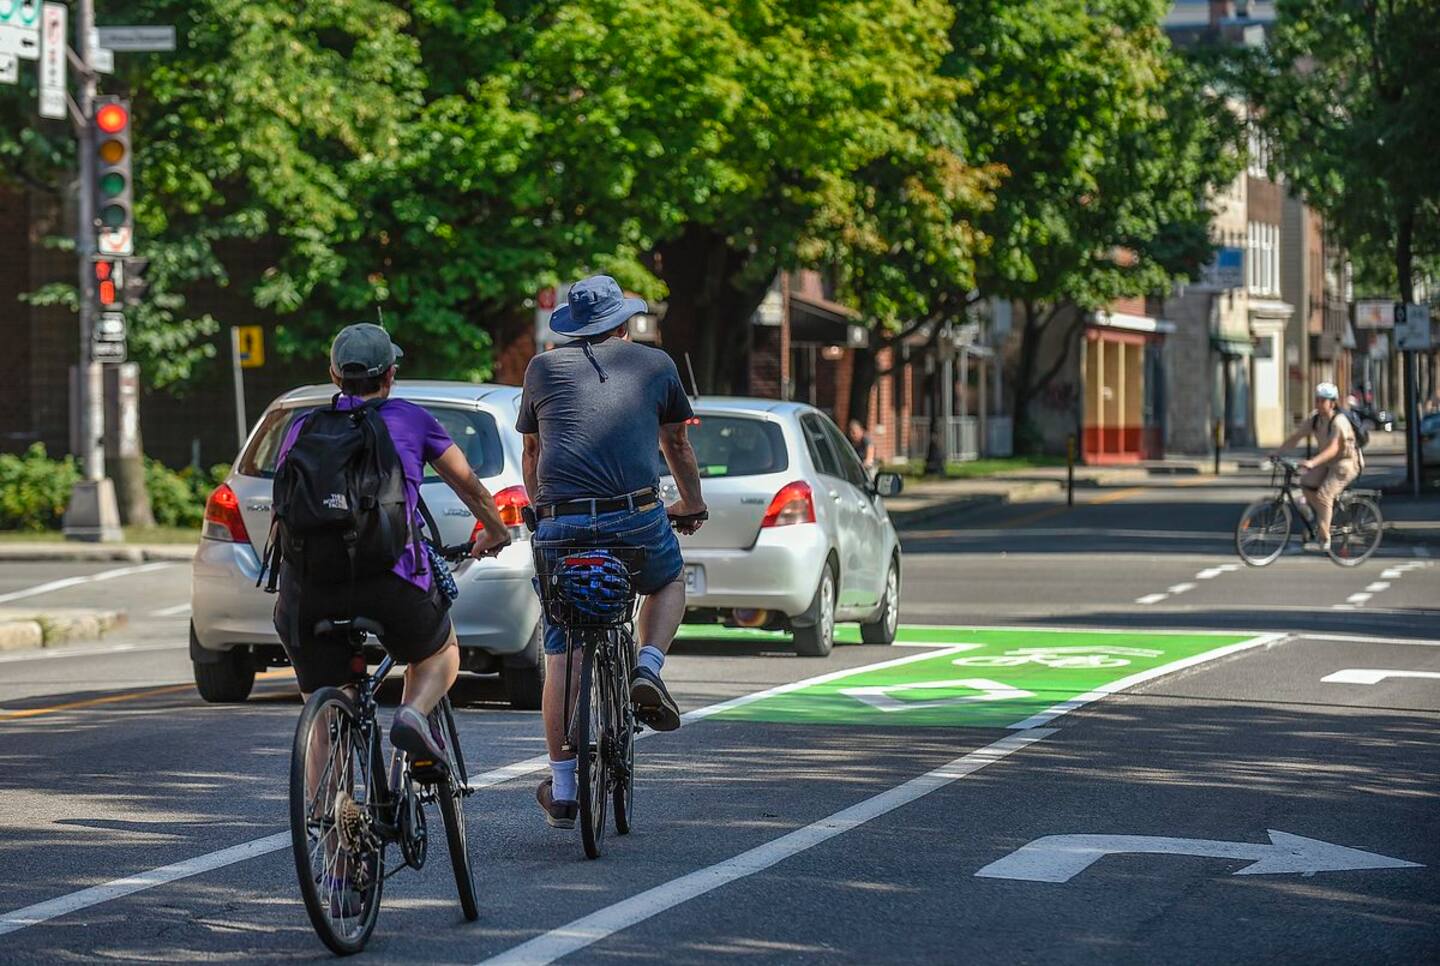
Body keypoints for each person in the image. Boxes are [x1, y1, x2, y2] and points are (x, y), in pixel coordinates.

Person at [518, 275, 706, 829]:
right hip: (635, 516)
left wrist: (544, 511)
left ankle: (563, 789)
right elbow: (676, 442)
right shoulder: (656, 365)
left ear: (575, 327)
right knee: (668, 579)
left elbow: (532, 452)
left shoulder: (541, 368)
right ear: (623, 324)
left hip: (563, 523)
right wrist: (691, 503)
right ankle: (647, 666)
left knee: (561, 651)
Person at [272, 323, 511, 761]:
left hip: (310, 588)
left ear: (334, 375)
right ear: (390, 375)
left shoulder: (302, 427)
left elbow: (283, 511)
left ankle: (329, 801)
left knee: (324, 717)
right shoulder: (411, 419)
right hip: (391, 579)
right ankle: (413, 714)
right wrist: (495, 531)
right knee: (440, 652)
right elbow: (470, 486)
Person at [1272, 381, 1363, 552]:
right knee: (1306, 482)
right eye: (1317, 400)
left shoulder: (1339, 421)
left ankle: (1325, 537)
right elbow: (1296, 437)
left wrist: (1312, 462)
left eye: (1323, 400)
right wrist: (1277, 452)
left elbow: (1333, 448)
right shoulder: (1315, 419)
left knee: (1324, 495)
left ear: (1332, 403)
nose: (1319, 403)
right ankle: (1320, 516)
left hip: (1345, 464)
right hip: (1327, 462)